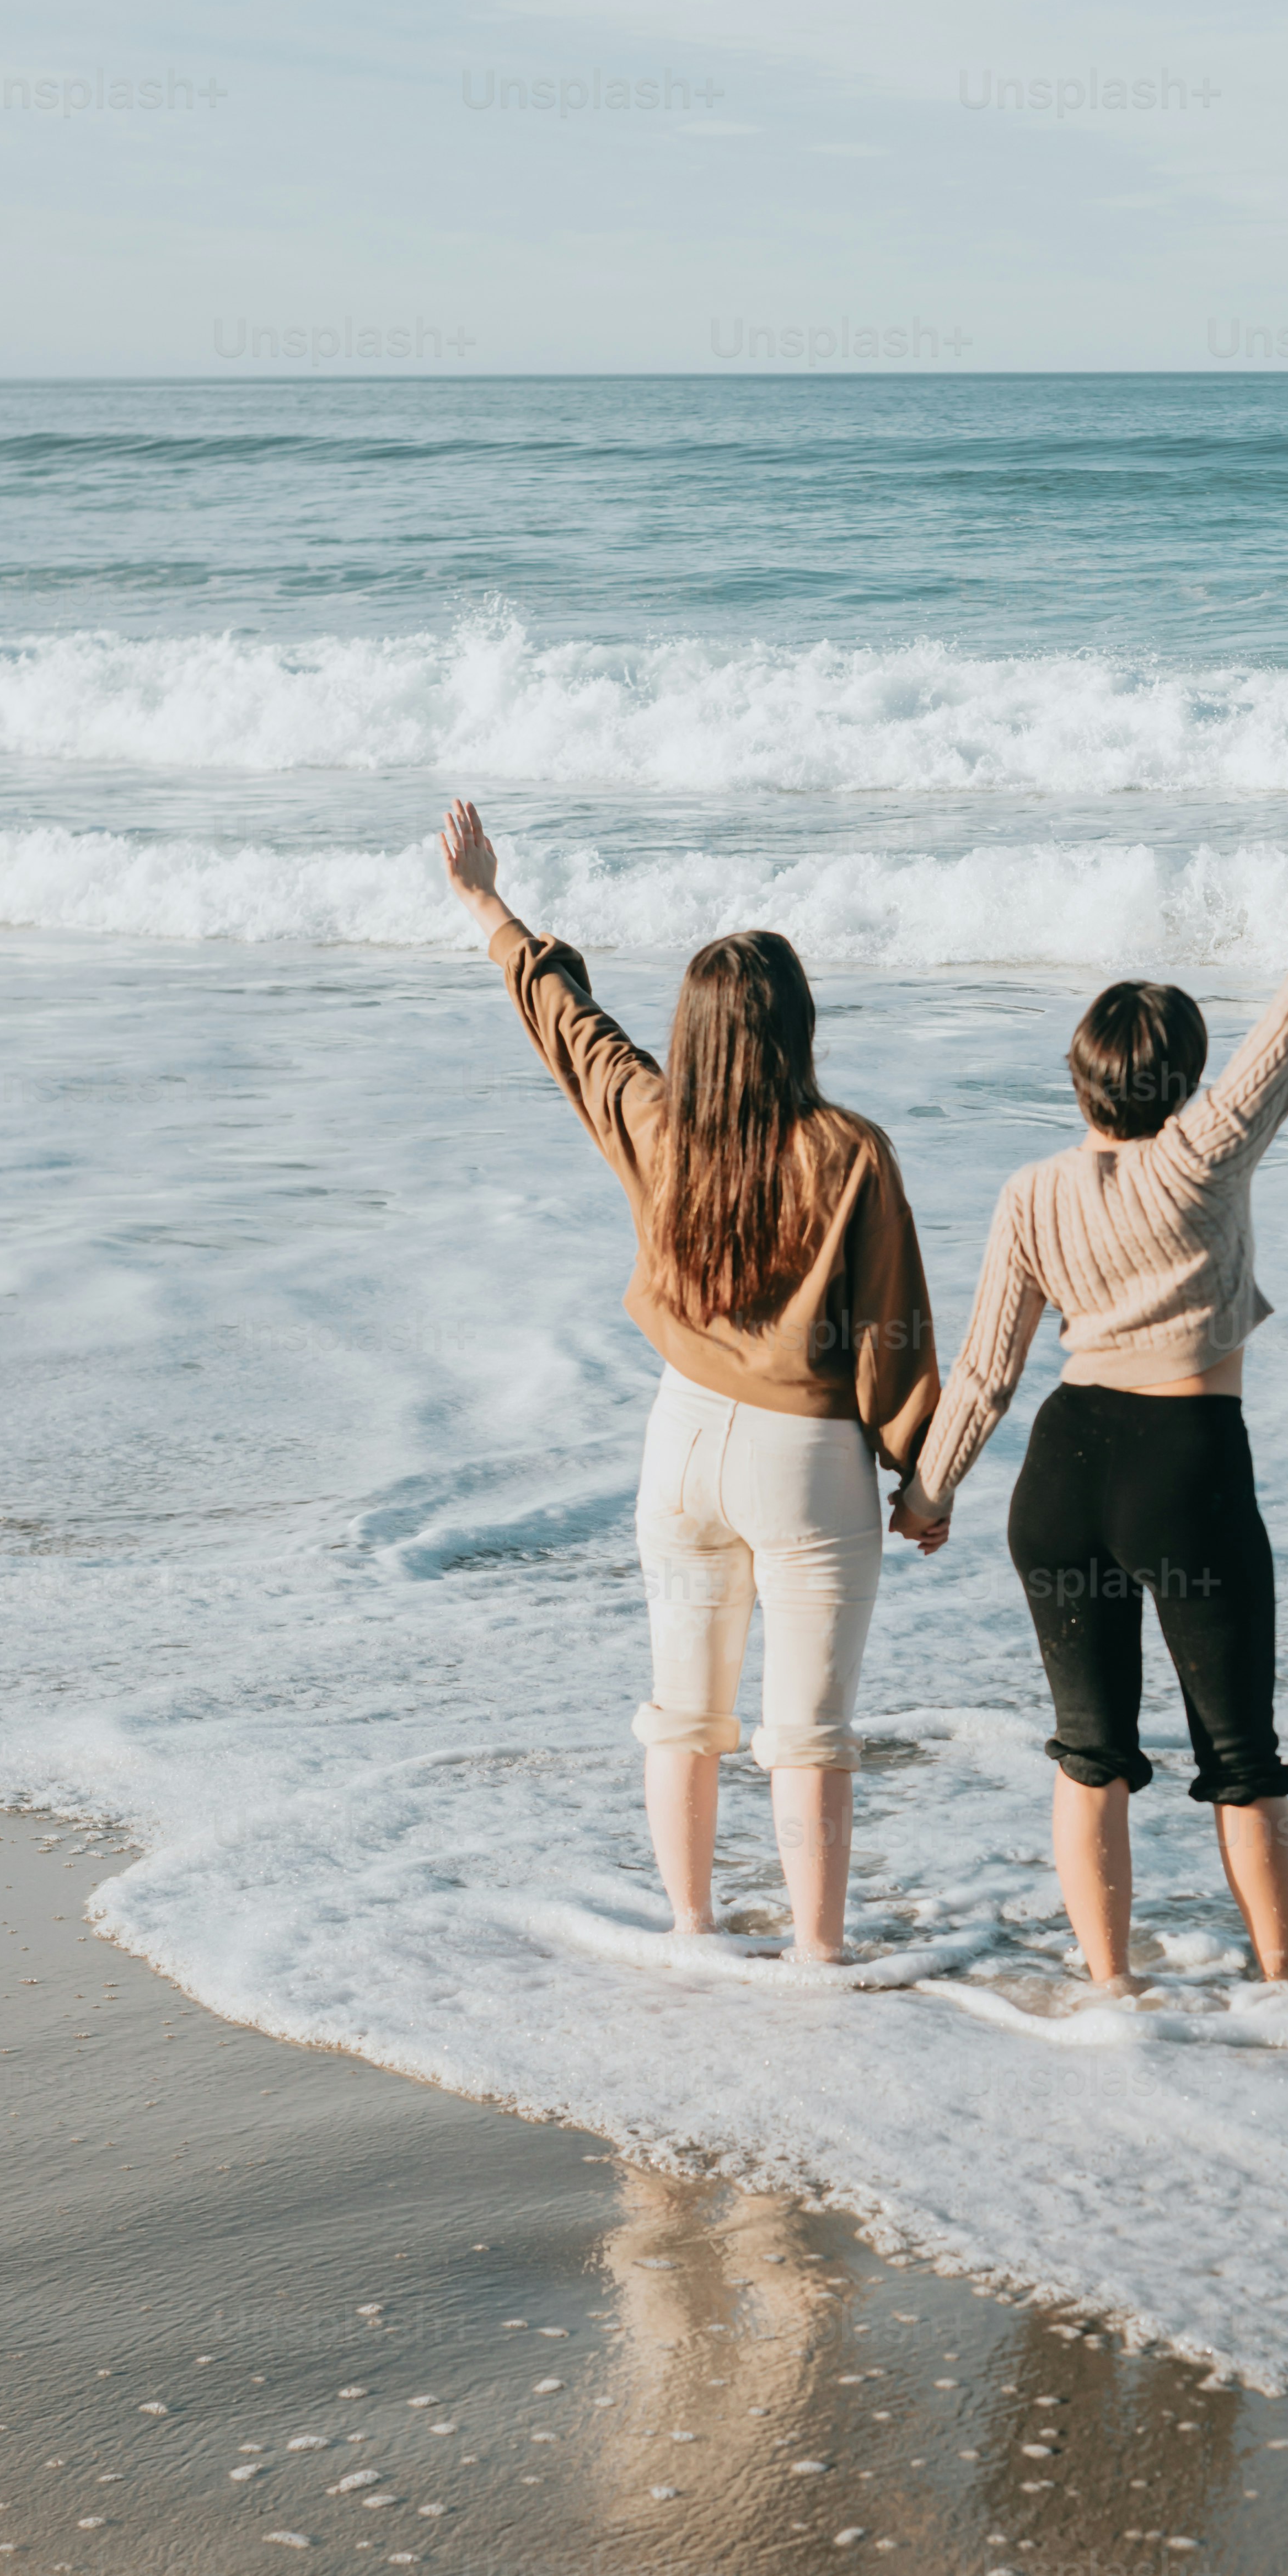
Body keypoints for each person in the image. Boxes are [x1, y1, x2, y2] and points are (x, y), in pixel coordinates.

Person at [893, 791, 1288, 1994]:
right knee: (1240, 1755)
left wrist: (928, 1488)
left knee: (1087, 1755)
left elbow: (991, 1368)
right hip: (1186, 1474)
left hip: (1058, 1482)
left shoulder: (1027, 1192)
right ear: (1186, 1081)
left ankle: (1106, 1992)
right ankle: (1283, 1992)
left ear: (1078, 1080)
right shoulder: (1205, 1153)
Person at [442, 801, 946, 1965]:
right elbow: (890, 1334)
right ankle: (817, 1960)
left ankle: (689, 1934)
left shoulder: (657, 1122)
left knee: (682, 1711)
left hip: (678, 1445)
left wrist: (483, 900)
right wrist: (921, 1478)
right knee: (808, 1736)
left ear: (697, 1033)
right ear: (798, 1026)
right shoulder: (850, 1149)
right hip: (806, 1459)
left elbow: (571, 1027)